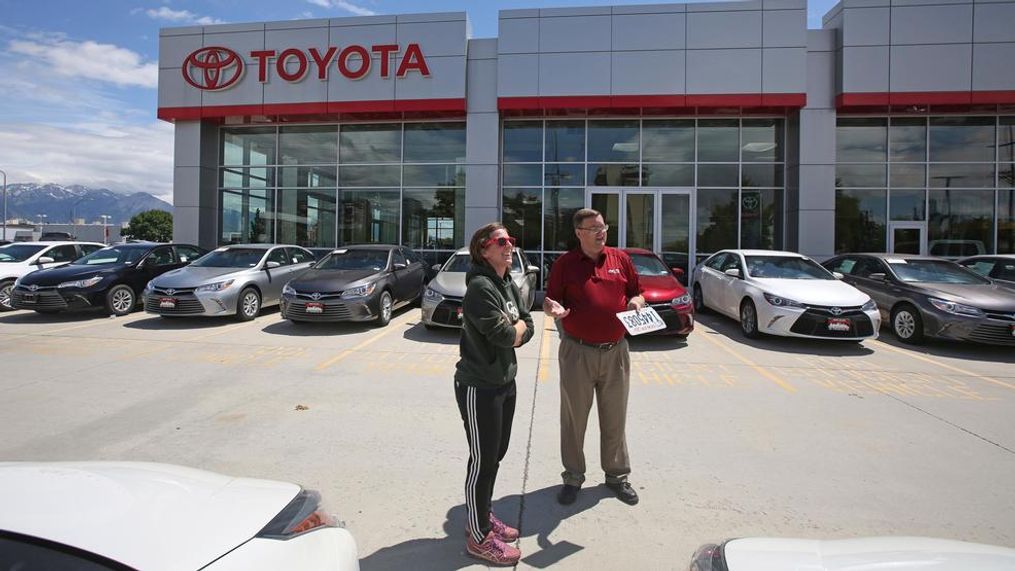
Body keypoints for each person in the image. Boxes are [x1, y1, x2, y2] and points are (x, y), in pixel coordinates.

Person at [543, 208, 645, 507]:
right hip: (577, 351)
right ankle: (573, 477)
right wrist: (554, 310)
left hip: (616, 351)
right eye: (594, 228)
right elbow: (551, 302)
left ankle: (616, 476)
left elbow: (637, 292)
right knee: (574, 419)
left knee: (615, 417)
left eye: (604, 227)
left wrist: (637, 303)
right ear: (579, 233)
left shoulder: (620, 259)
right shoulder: (565, 264)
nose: (601, 232)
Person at [454, 222, 535, 565]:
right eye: (501, 241)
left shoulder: (506, 284)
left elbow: (527, 324)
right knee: (482, 461)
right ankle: (478, 537)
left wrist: (516, 329)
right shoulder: (480, 287)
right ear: (483, 249)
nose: (509, 246)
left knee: (496, 455)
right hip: (479, 385)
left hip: (505, 381)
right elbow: (503, 335)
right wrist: (515, 330)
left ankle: (483, 516)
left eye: (511, 241)